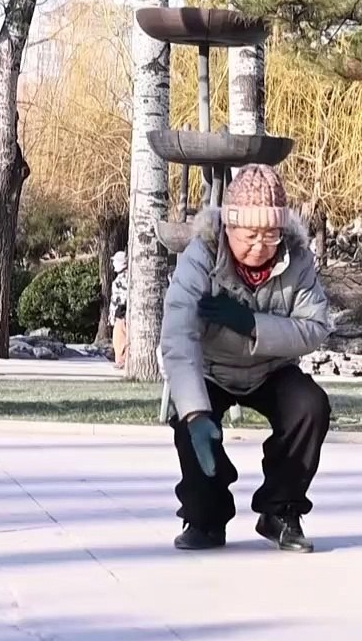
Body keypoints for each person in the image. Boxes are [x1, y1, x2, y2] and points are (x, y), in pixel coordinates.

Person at [160, 164, 334, 553]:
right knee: (191, 427)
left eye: (270, 235)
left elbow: (316, 326)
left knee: (310, 406)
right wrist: (194, 412)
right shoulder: (201, 255)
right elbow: (178, 336)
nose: (260, 245)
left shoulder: (299, 259)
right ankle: (205, 518)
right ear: (228, 228)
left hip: (271, 366)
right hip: (212, 368)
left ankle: (281, 510)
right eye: (250, 235)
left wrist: (252, 324)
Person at [110, 251, 129, 369]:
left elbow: (119, 298)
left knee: (119, 338)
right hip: (123, 312)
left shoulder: (122, 279)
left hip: (121, 313)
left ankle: (121, 361)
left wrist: (113, 314)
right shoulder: (127, 276)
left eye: (115, 262)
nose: (113, 265)